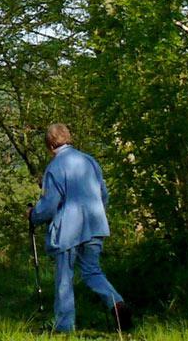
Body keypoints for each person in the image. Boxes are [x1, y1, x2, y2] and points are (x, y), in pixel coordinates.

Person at [31, 123, 130, 333]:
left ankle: (64, 327)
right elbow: (103, 194)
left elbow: (49, 205)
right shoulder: (89, 161)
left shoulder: (55, 167)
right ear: (69, 138)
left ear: (49, 144)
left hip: (68, 229)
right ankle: (116, 303)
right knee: (92, 271)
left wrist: (33, 215)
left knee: (64, 278)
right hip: (95, 224)